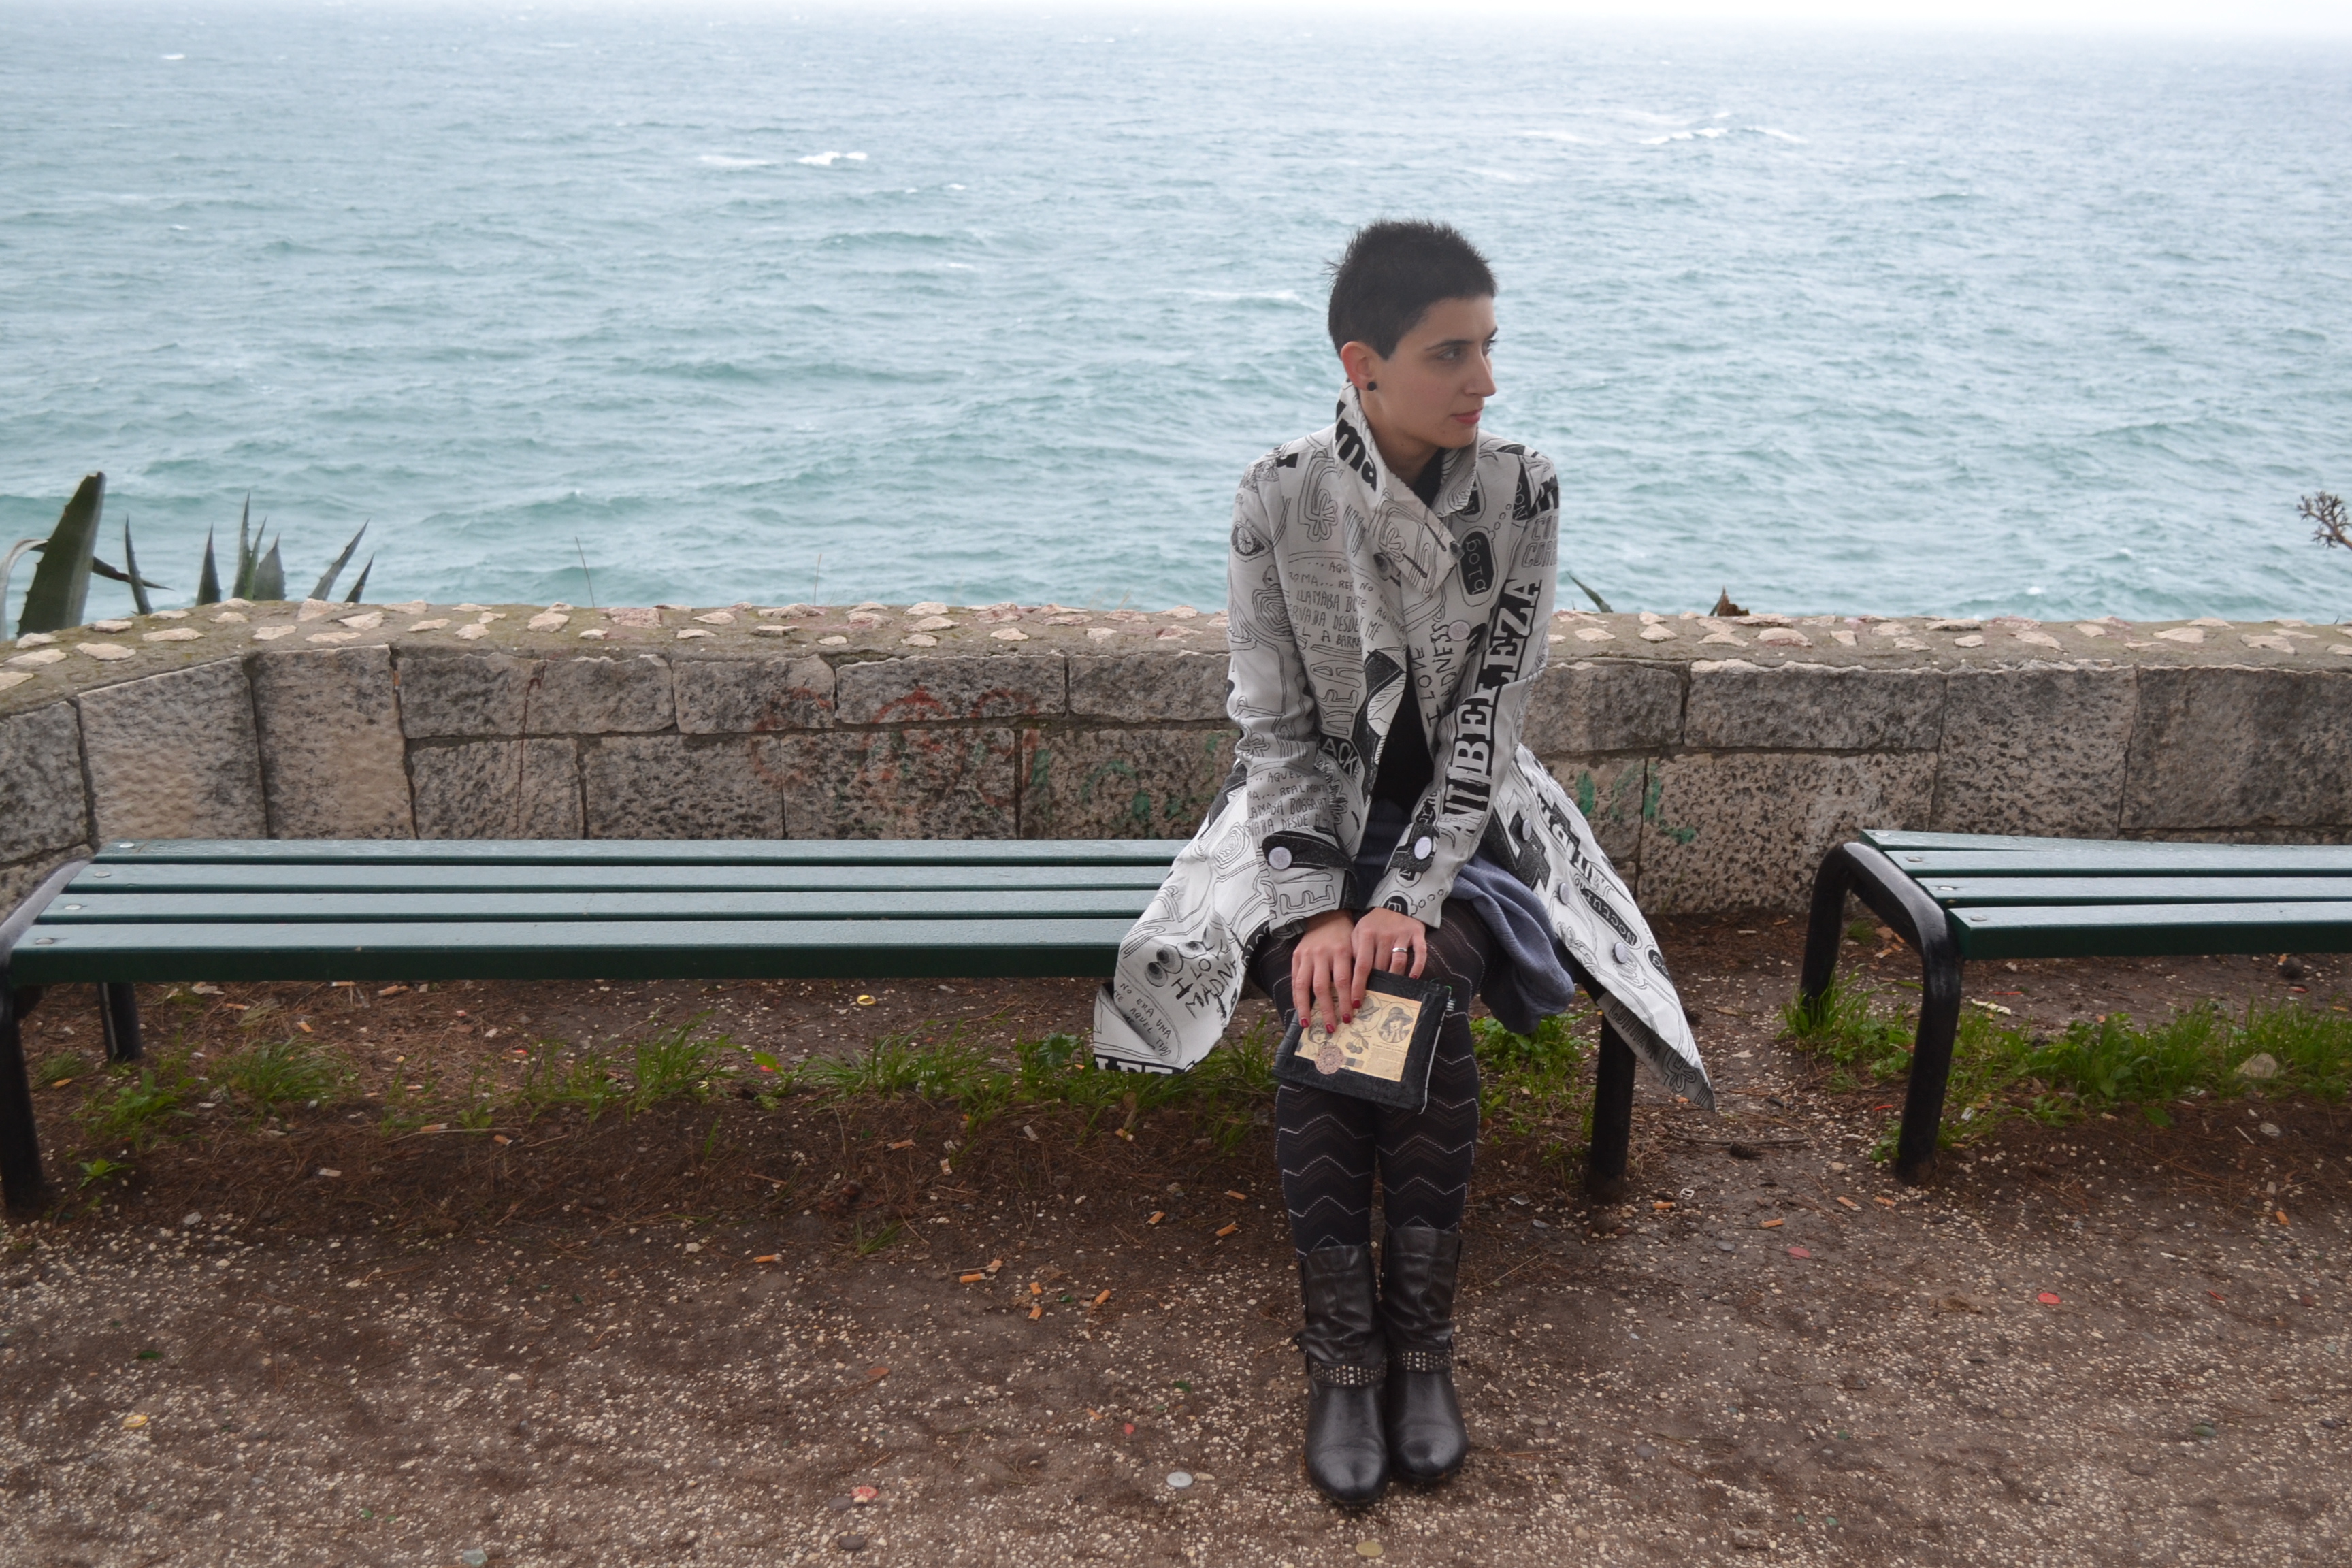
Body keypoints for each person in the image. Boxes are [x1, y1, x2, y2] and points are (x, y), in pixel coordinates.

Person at [1094, 220, 1711, 1506]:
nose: (1485, 380)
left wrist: (1409, 896)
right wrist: (1320, 908)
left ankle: (1405, 1345)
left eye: (1489, 347)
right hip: (1300, 825)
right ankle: (1353, 1351)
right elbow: (1272, 729)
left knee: (1406, 986)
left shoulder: (1524, 492)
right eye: (1451, 354)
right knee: (1339, 989)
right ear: (1362, 364)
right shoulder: (1279, 496)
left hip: (1469, 827)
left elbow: (1491, 719)